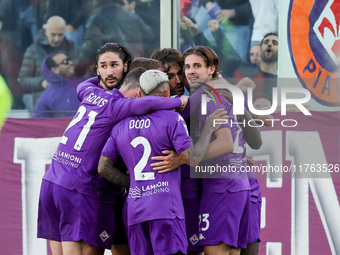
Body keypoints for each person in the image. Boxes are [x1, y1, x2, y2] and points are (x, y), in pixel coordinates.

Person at [37, 42, 187, 255]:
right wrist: (180, 101)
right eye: (103, 66)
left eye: (113, 65)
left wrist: (100, 79)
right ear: (138, 92)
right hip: (80, 188)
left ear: (126, 67)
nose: (109, 71)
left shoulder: (89, 91)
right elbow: (147, 104)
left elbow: (83, 85)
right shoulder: (118, 106)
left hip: (52, 181)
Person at [98, 69, 228, 255]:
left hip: (135, 211)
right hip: (165, 208)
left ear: (140, 94)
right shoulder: (172, 118)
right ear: (167, 94)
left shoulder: (120, 126)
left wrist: (135, 181)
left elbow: (103, 167)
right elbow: (193, 158)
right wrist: (208, 129)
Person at [182, 45, 252, 255]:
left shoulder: (207, 96)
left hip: (223, 188)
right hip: (236, 185)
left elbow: (226, 144)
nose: (190, 71)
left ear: (211, 69)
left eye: (197, 66)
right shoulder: (221, 92)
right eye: (186, 66)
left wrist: (185, 159)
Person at [18, 15, 80, 111]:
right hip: (42, 104)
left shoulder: (73, 49)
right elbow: (22, 80)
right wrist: (41, 83)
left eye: (60, 35)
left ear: (65, 33)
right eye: (53, 34)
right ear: (46, 31)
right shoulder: (33, 50)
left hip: (68, 104)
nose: (57, 39)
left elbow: (82, 75)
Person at [32, 51, 85, 118]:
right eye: (65, 62)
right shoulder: (47, 97)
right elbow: (37, 124)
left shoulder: (85, 82)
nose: (71, 63)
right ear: (55, 69)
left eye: (69, 60)